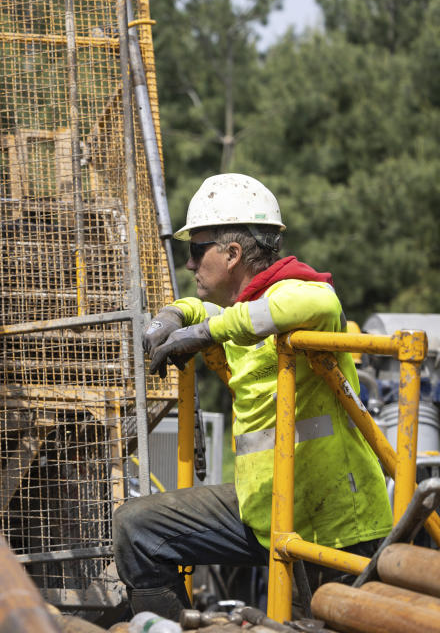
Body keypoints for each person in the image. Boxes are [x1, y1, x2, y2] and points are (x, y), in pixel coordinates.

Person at [113, 173, 392, 619]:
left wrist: (204, 332)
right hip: (266, 510)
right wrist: (173, 314)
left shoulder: (294, 295)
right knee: (138, 527)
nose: (189, 265)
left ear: (232, 254)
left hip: (336, 526)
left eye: (196, 250)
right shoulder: (245, 312)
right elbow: (210, 309)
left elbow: (319, 302)